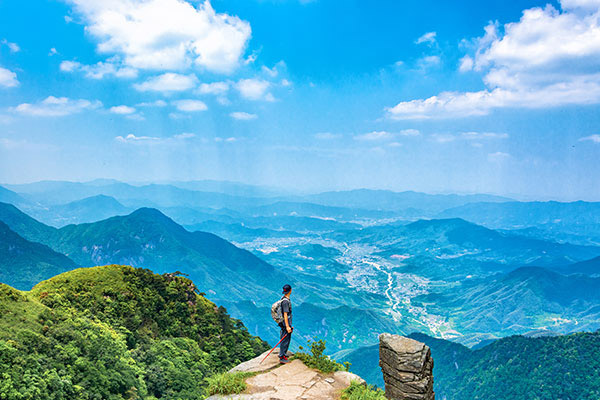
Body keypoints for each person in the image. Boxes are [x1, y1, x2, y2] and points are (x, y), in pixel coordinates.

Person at [278, 284, 293, 363]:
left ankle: (283, 353)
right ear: (290, 290)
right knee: (285, 339)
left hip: (284, 323)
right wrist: (287, 326)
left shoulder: (283, 299)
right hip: (285, 323)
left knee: (285, 338)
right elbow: (285, 314)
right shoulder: (285, 302)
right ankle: (282, 357)